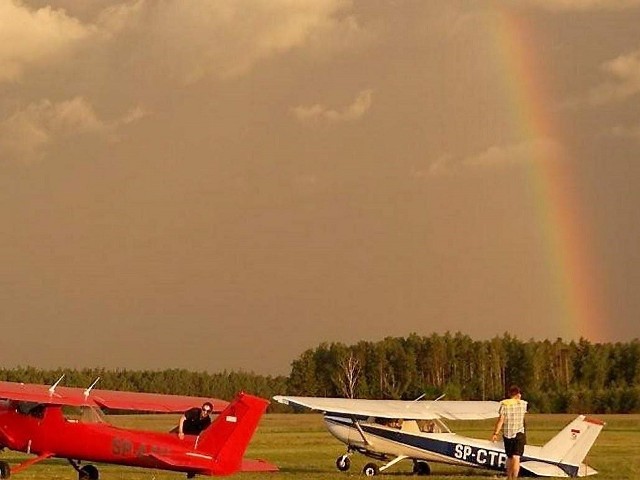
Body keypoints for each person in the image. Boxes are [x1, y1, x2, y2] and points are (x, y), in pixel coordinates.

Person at [492, 385, 527, 479]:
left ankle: (509, 476)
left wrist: (495, 433)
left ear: (509, 394)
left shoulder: (504, 405)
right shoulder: (523, 404)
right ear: (518, 394)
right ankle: (514, 478)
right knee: (517, 457)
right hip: (519, 433)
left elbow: (501, 420)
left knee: (510, 457)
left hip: (507, 434)